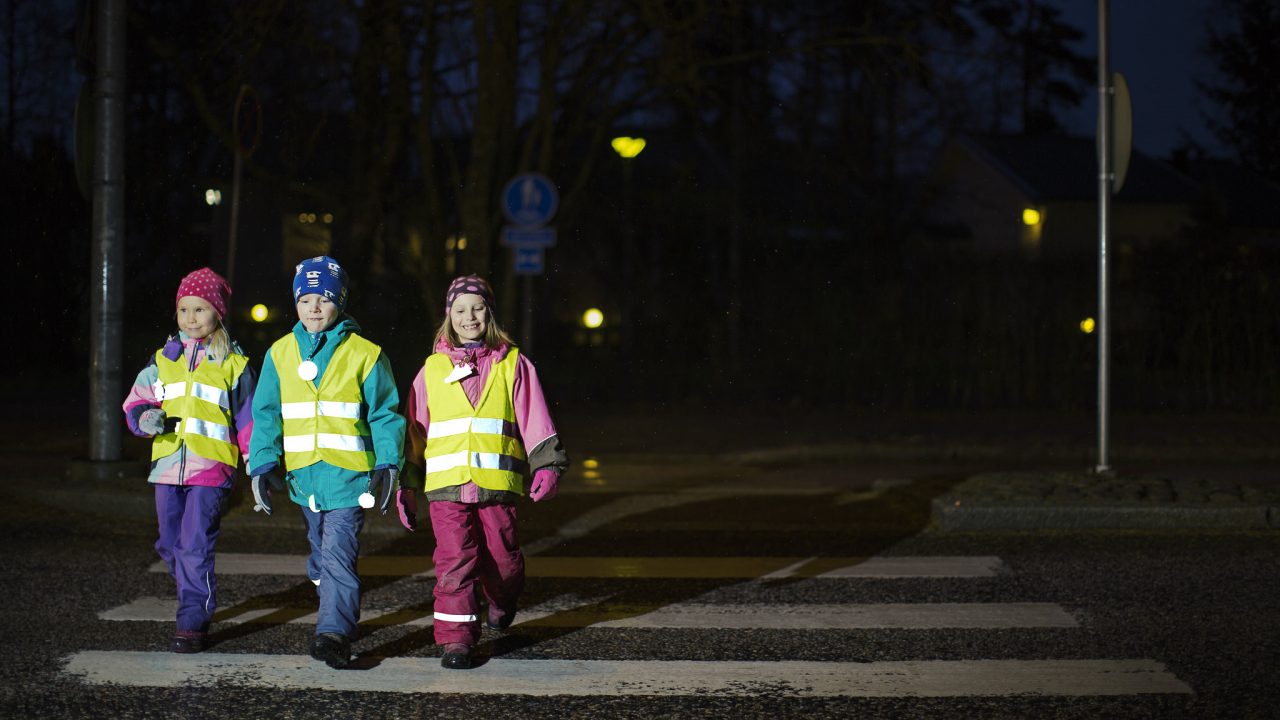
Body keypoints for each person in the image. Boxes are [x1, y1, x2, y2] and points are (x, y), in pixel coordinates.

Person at [396, 274, 569, 670]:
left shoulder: (514, 364)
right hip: (446, 487)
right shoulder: (432, 370)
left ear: (489, 313)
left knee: (503, 561)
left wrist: (548, 463)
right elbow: (414, 432)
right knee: (454, 561)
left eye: (477, 308)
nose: (469, 316)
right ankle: (457, 640)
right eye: (460, 310)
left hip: (496, 484)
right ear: (448, 317)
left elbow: (535, 418)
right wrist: (406, 483)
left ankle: (503, 599)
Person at [247, 256, 405, 669]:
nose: (314, 307)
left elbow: (386, 413)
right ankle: (331, 596)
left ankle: (333, 632)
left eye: (325, 298)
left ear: (342, 301)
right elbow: (265, 413)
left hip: (349, 479)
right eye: (306, 298)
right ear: (295, 302)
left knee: (337, 553)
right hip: (304, 480)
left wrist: (388, 464)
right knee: (320, 554)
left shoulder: (365, 354)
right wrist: (262, 465)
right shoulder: (280, 353)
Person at [122, 267, 257, 654]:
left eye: (200, 309)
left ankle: (193, 618)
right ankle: (195, 594)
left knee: (194, 544)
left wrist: (255, 463)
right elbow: (137, 400)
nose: (191, 318)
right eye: (184, 310)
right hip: (167, 467)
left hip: (211, 469)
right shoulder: (162, 359)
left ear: (218, 313)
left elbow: (247, 418)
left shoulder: (233, 363)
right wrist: (145, 418)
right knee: (169, 543)